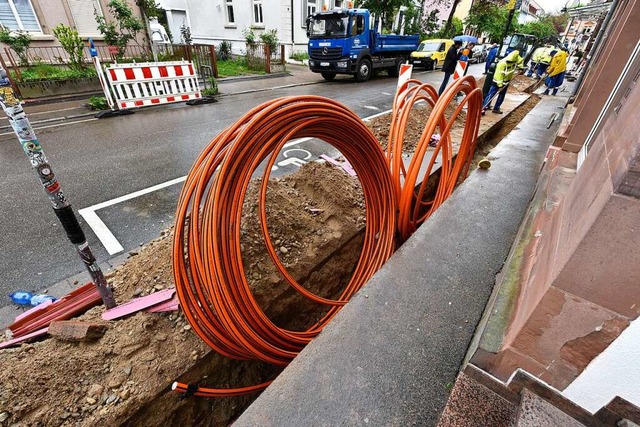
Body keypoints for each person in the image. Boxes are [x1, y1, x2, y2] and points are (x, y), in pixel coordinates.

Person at [482, 50, 524, 114]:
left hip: (506, 81)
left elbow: (520, 61)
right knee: (491, 94)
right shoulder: (502, 64)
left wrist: (521, 68)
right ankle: (484, 107)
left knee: (501, 95)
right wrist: (500, 85)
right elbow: (499, 75)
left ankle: (496, 108)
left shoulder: (515, 59)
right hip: (497, 81)